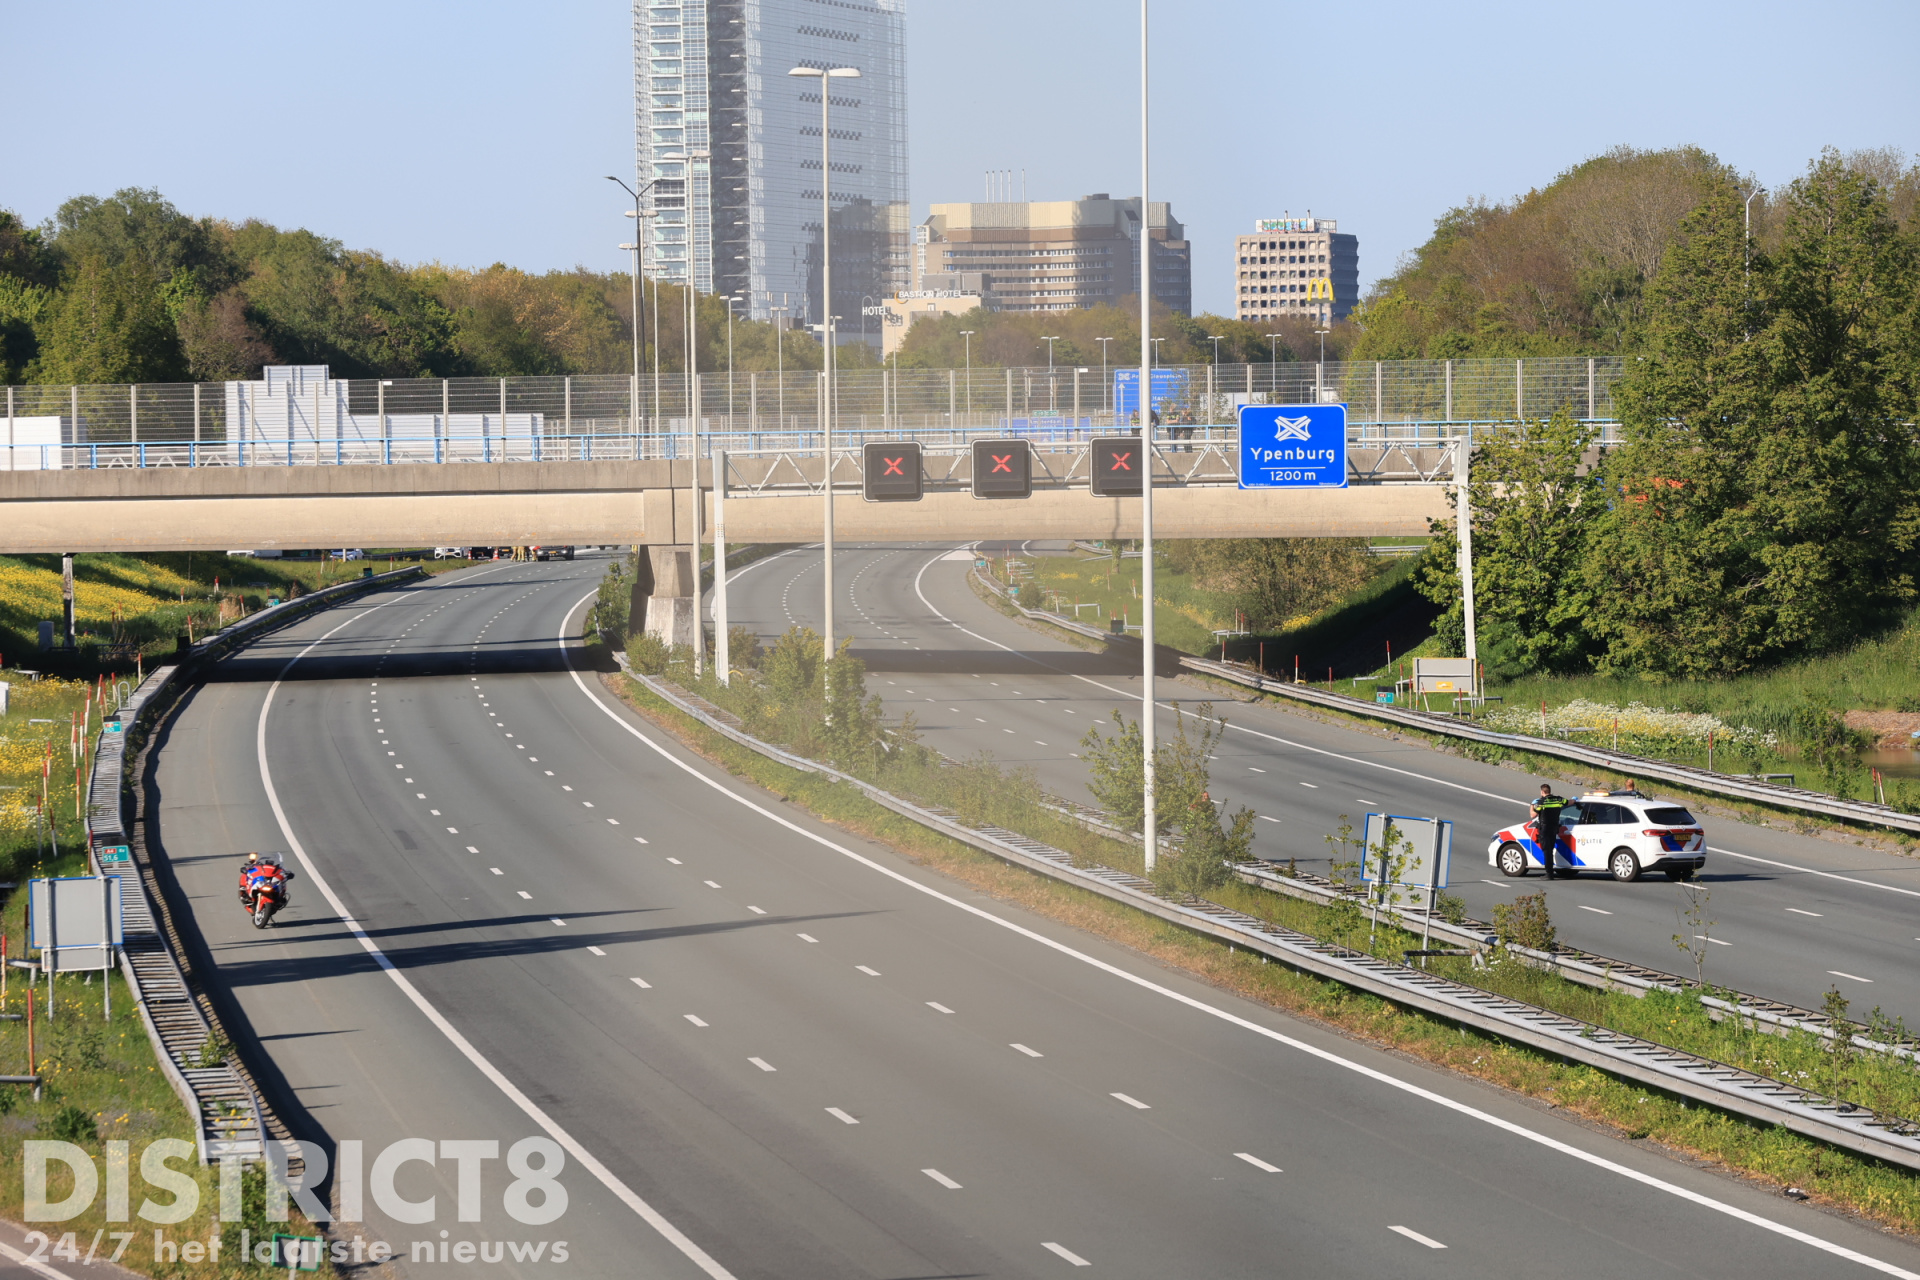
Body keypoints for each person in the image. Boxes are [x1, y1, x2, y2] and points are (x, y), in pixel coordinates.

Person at [1530, 785, 1568, 880]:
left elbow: (1532, 815)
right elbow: (1568, 802)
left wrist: (1532, 805)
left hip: (1545, 829)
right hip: (1554, 828)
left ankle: (1549, 873)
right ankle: (1550, 871)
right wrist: (1575, 801)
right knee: (1550, 849)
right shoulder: (1558, 800)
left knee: (1547, 851)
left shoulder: (1542, 802)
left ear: (1542, 792)